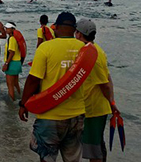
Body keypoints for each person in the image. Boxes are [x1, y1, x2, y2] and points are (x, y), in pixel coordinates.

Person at [18, 12, 87, 162]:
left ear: (57, 27)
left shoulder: (46, 47)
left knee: (47, 157)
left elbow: (33, 80)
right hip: (77, 115)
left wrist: (24, 104)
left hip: (50, 115)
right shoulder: (84, 49)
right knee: (73, 159)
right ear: (74, 29)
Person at [75, 19, 119, 162]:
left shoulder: (93, 55)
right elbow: (108, 77)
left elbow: (104, 84)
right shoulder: (95, 50)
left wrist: (111, 103)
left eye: (76, 32)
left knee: (94, 151)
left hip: (95, 109)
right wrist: (112, 101)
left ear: (79, 34)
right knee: (96, 146)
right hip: (91, 107)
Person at [2, 22, 22, 100]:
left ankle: (11, 104)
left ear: (13, 29)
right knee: (15, 84)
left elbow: (12, 52)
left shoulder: (12, 39)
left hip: (12, 63)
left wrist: (6, 63)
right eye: (6, 28)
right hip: (17, 63)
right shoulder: (14, 38)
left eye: (7, 28)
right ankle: (20, 97)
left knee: (10, 85)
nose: (6, 29)